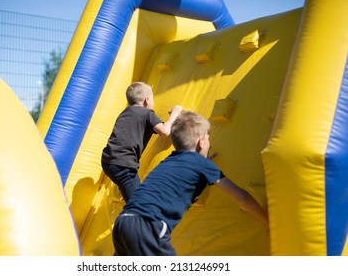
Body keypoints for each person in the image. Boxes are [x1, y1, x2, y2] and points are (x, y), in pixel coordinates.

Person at [112, 110, 269, 256]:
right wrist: (267, 221)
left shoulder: (169, 160)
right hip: (149, 226)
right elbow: (243, 198)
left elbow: (182, 173)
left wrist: (203, 161)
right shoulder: (203, 165)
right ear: (201, 142)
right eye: (208, 138)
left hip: (123, 222)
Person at [101, 82, 182, 202]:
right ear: (147, 100)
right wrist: (175, 114)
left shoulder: (125, 113)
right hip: (124, 165)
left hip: (107, 162)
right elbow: (164, 131)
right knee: (138, 203)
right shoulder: (147, 113)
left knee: (133, 192)